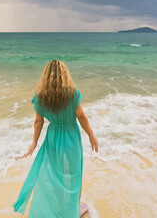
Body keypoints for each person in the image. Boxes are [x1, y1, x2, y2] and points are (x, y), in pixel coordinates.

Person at [12, 59, 99, 217]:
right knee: (74, 174)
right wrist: (91, 135)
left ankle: (57, 208)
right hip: (72, 138)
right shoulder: (72, 93)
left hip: (53, 139)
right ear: (65, 75)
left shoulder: (41, 97)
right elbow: (81, 116)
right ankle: (74, 210)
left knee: (54, 175)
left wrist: (34, 142)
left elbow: (38, 121)